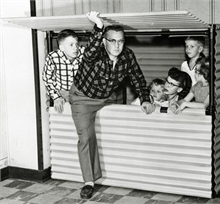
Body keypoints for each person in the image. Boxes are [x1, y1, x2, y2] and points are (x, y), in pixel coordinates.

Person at [69, 11, 154, 199]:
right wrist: (98, 26)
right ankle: (89, 182)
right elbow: (90, 51)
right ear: (104, 41)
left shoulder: (127, 56)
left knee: (119, 124)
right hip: (83, 98)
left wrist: (146, 99)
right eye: (112, 41)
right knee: (86, 137)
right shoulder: (94, 53)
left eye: (121, 41)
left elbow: (138, 79)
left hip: (107, 97)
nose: (117, 45)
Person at [42, 29, 85, 113]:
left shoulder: (84, 55)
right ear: (62, 48)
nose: (75, 48)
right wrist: (56, 97)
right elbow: (47, 79)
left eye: (76, 44)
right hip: (62, 93)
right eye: (71, 45)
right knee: (61, 115)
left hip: (81, 93)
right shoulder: (53, 57)